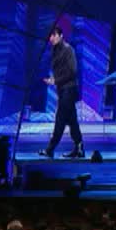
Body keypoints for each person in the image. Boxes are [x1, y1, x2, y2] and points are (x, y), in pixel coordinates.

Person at [39, 25, 84, 159]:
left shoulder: (68, 49)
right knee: (72, 120)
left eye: (53, 35)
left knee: (60, 119)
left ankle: (50, 149)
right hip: (62, 89)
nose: (51, 38)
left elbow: (72, 71)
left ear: (60, 36)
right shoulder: (55, 50)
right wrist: (53, 79)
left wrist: (55, 80)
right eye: (50, 36)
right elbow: (61, 70)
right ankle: (79, 148)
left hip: (69, 89)